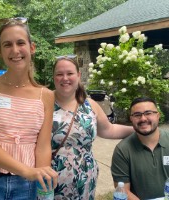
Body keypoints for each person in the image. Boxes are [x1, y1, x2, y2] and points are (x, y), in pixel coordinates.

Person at [0, 17, 57, 199]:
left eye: (20, 43)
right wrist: (27, 171)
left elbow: (42, 146)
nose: (15, 50)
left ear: (32, 48)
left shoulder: (46, 95)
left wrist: (42, 184)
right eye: (7, 45)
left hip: (27, 185)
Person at [51, 55, 134, 199]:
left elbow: (108, 129)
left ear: (78, 75)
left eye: (70, 73)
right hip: (52, 180)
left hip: (86, 178)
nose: (65, 78)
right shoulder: (44, 102)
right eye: (59, 74)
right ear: (54, 77)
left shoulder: (89, 104)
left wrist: (137, 130)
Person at [111, 97, 169, 200]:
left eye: (148, 113)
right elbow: (123, 190)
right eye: (137, 115)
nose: (143, 119)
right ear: (131, 119)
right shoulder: (122, 150)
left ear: (157, 115)